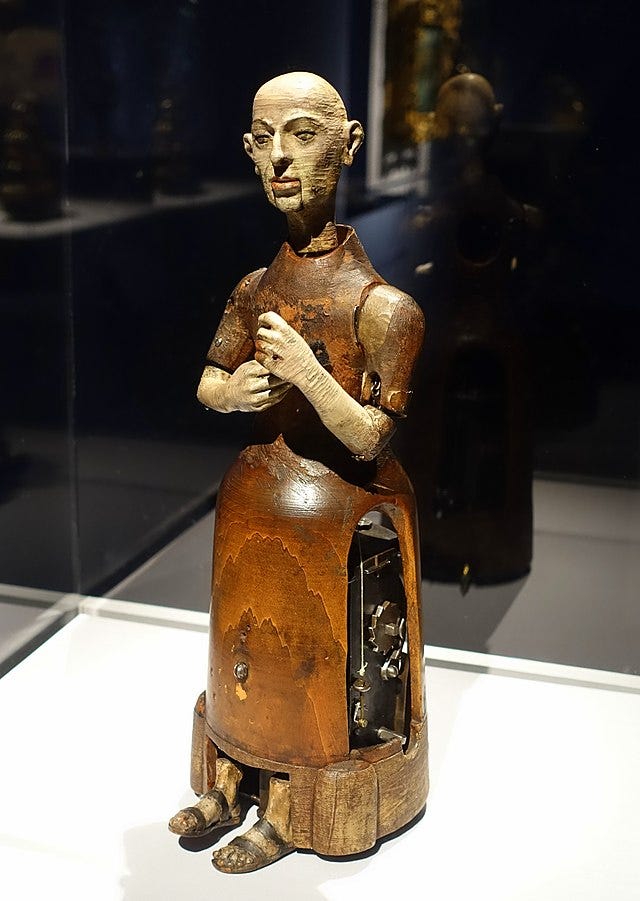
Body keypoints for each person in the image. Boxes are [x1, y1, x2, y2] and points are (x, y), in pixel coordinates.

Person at [169, 72, 427, 874]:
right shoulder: (256, 289)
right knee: (242, 648)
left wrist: (313, 378)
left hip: (336, 514)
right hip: (255, 502)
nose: (281, 157)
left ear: (348, 147)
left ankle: (286, 809)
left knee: (311, 664)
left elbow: (372, 442)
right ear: (249, 153)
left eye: (304, 133)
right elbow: (210, 379)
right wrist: (236, 389)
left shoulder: (383, 310)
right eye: (265, 139)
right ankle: (231, 780)